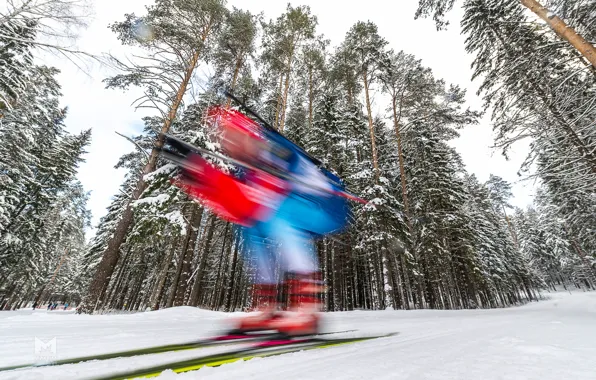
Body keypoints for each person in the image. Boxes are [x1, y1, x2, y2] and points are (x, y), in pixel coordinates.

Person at [166, 107, 349, 336]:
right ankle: (267, 307)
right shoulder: (247, 170)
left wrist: (205, 173)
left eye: (233, 136)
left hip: (324, 205)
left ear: (246, 135)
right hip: (292, 206)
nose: (228, 145)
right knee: (249, 225)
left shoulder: (271, 153)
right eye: (224, 139)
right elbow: (240, 208)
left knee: (277, 211)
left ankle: (307, 308)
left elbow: (266, 197)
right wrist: (197, 176)